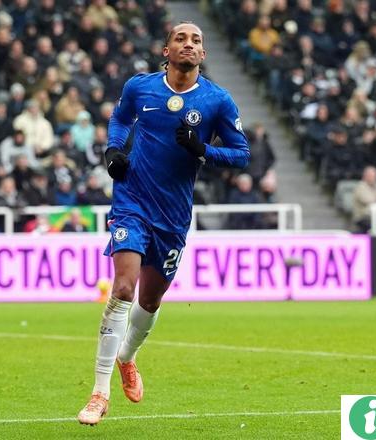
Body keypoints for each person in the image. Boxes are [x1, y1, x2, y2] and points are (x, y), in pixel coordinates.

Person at [77, 21, 250, 425]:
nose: (188, 44)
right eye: (180, 38)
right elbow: (120, 119)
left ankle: (127, 357)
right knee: (123, 287)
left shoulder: (217, 100)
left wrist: (202, 150)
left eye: (196, 40)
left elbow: (241, 154)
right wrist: (114, 151)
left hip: (173, 214)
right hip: (132, 200)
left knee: (150, 301)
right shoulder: (141, 87)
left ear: (203, 54)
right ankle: (99, 393)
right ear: (166, 50)